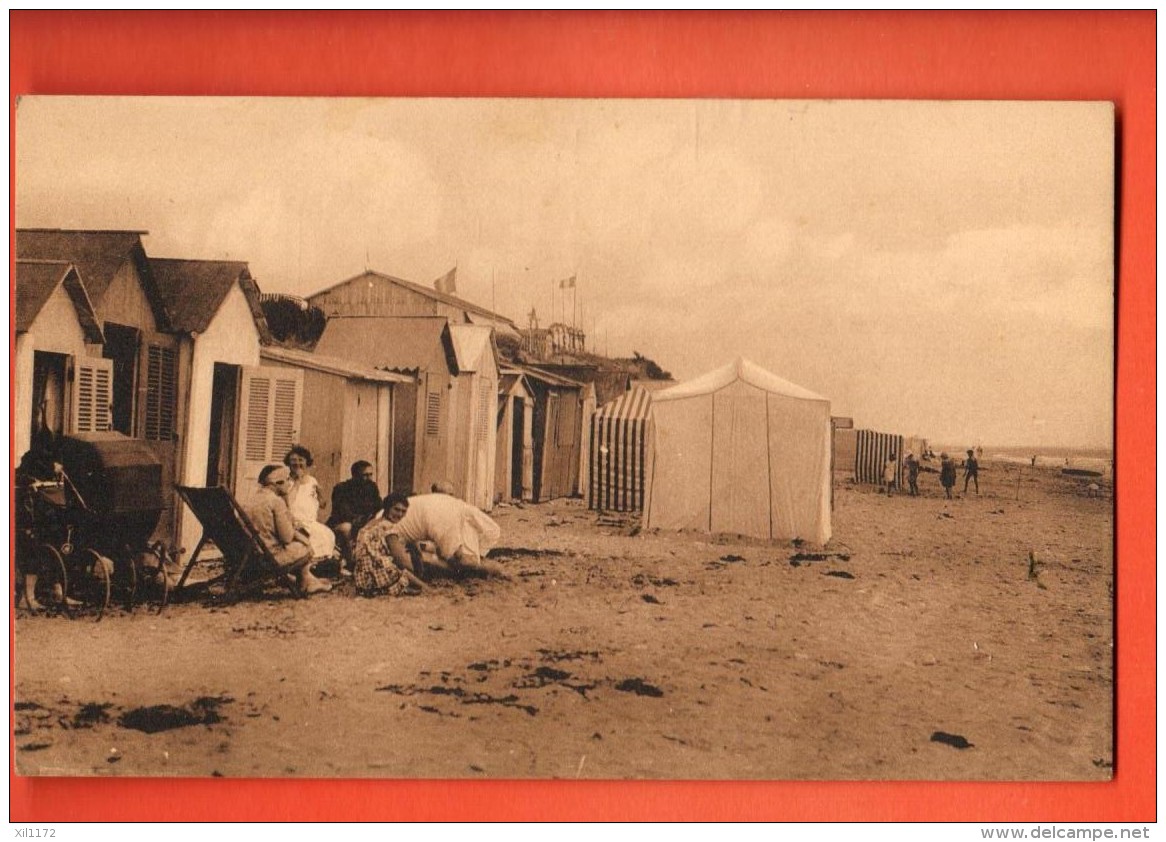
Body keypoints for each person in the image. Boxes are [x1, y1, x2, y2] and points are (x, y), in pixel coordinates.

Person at [245, 464, 331, 595]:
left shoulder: (251, 499)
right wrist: (301, 538)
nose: (290, 484)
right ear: (277, 483)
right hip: (269, 558)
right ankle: (306, 582)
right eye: (287, 480)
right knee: (305, 546)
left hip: (251, 554)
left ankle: (308, 580)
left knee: (300, 541)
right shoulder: (276, 501)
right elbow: (286, 537)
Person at [383, 492, 506, 579]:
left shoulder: (387, 527)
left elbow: (405, 564)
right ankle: (485, 566)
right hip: (444, 506)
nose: (398, 514)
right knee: (453, 559)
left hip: (439, 515)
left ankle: (491, 569)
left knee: (460, 562)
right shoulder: (389, 525)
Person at [351, 492, 425, 597]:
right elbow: (401, 561)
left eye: (403, 511)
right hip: (378, 576)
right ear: (387, 508)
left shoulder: (373, 522)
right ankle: (428, 589)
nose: (399, 514)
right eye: (396, 509)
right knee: (409, 572)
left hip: (361, 578)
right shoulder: (388, 527)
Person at [283, 445, 337, 562]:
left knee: (327, 535)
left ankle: (318, 565)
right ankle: (308, 565)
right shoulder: (286, 482)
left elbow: (322, 504)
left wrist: (321, 495)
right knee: (314, 538)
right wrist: (297, 481)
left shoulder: (312, 481)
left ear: (307, 462)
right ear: (288, 463)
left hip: (310, 521)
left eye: (301, 460)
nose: (297, 463)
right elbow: (288, 504)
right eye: (293, 460)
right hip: (295, 522)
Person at [328, 460, 381, 575]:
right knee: (347, 528)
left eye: (371, 474)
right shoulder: (341, 488)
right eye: (365, 475)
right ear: (355, 475)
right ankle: (350, 562)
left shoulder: (372, 487)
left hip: (364, 522)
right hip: (342, 523)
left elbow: (379, 506)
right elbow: (343, 513)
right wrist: (364, 521)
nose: (369, 478)